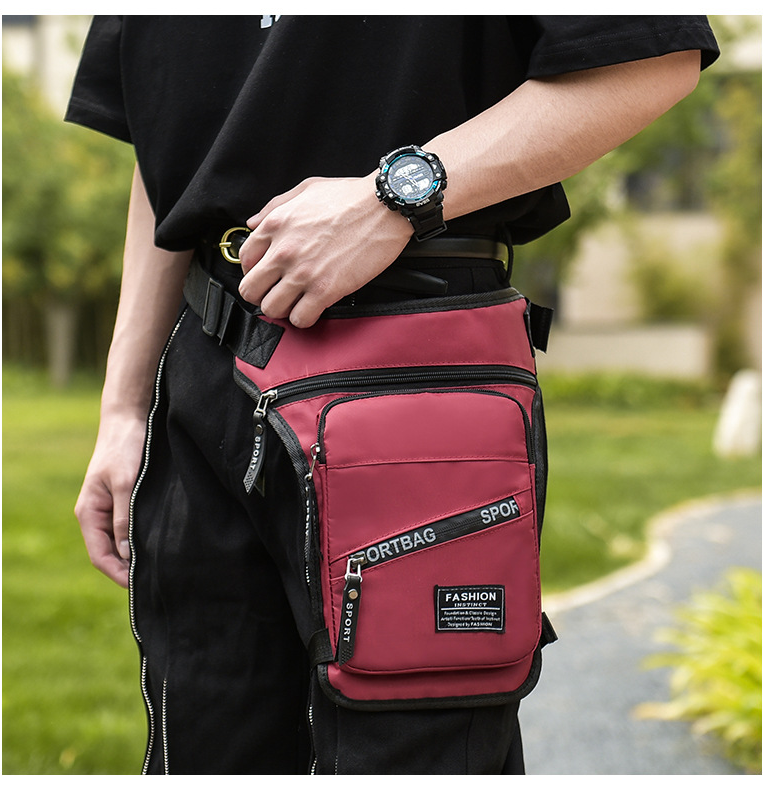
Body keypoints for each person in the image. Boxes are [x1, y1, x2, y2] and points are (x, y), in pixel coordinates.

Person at [67, 15, 719, 775]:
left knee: (413, 753)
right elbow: (170, 156)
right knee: (206, 742)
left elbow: (652, 59)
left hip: (413, 368)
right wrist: (123, 407)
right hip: (204, 369)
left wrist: (395, 197)